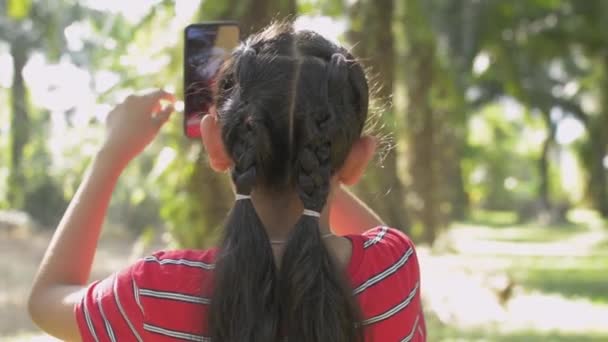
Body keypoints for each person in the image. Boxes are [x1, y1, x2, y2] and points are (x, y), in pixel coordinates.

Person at [28, 22, 426, 342]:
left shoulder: (156, 293)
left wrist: (111, 155)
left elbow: (47, 301)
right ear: (358, 159)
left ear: (216, 145)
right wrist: (314, 154)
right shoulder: (393, 270)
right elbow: (375, 232)